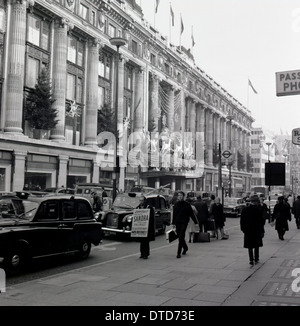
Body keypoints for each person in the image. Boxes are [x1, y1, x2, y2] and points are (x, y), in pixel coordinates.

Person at [240, 195, 265, 266]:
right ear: (256, 201)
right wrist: (262, 231)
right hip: (257, 230)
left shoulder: (245, 209)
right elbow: (262, 222)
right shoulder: (259, 210)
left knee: (249, 246)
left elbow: (242, 221)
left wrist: (243, 229)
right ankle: (256, 258)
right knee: (256, 245)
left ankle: (251, 259)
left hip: (248, 231)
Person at [172, 191, 199, 258]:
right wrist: (173, 223)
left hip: (184, 222)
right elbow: (174, 214)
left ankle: (178, 253)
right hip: (177, 222)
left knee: (181, 236)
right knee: (179, 237)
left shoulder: (187, 204)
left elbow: (191, 214)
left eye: (181, 195)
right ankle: (185, 247)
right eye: (178, 195)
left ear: (183, 196)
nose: (180, 196)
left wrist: (196, 222)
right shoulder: (176, 204)